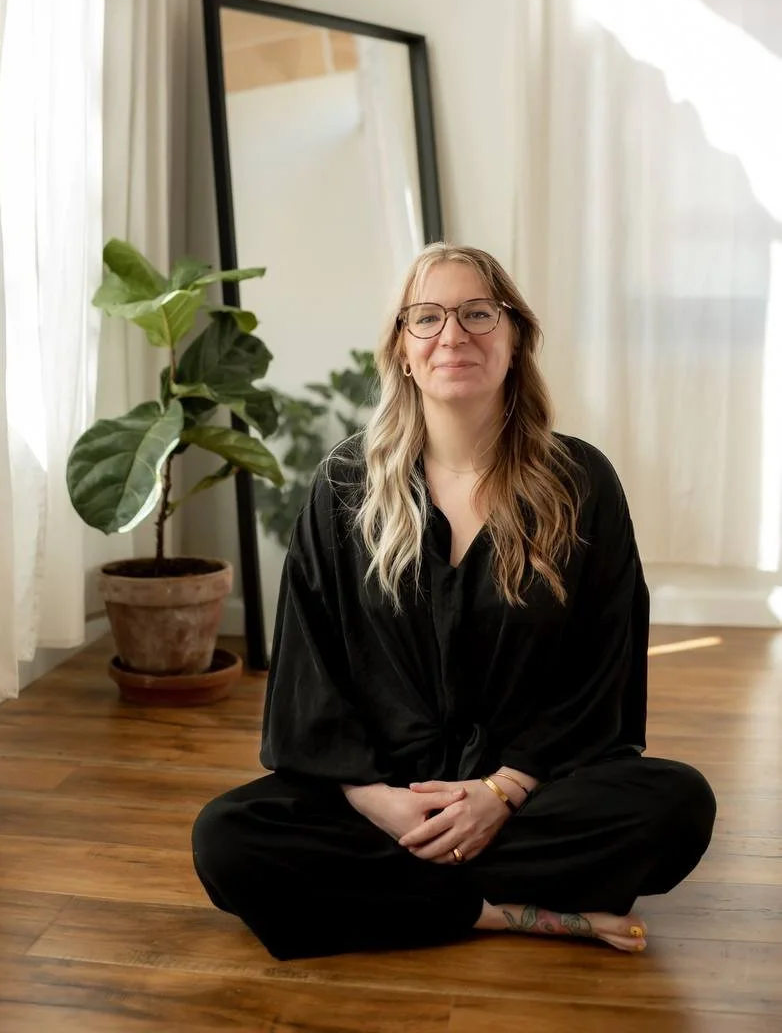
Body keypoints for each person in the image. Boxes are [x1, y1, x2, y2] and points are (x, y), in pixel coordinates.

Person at [192, 243, 716, 961]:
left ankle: (386, 901)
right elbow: (311, 669)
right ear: (402, 351)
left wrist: (500, 793)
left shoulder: (582, 482)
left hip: (528, 792)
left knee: (677, 807)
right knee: (227, 839)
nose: (453, 336)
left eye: (477, 314)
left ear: (514, 338)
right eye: (427, 318)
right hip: (384, 798)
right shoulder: (345, 485)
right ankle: (505, 914)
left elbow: (605, 665)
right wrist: (379, 800)